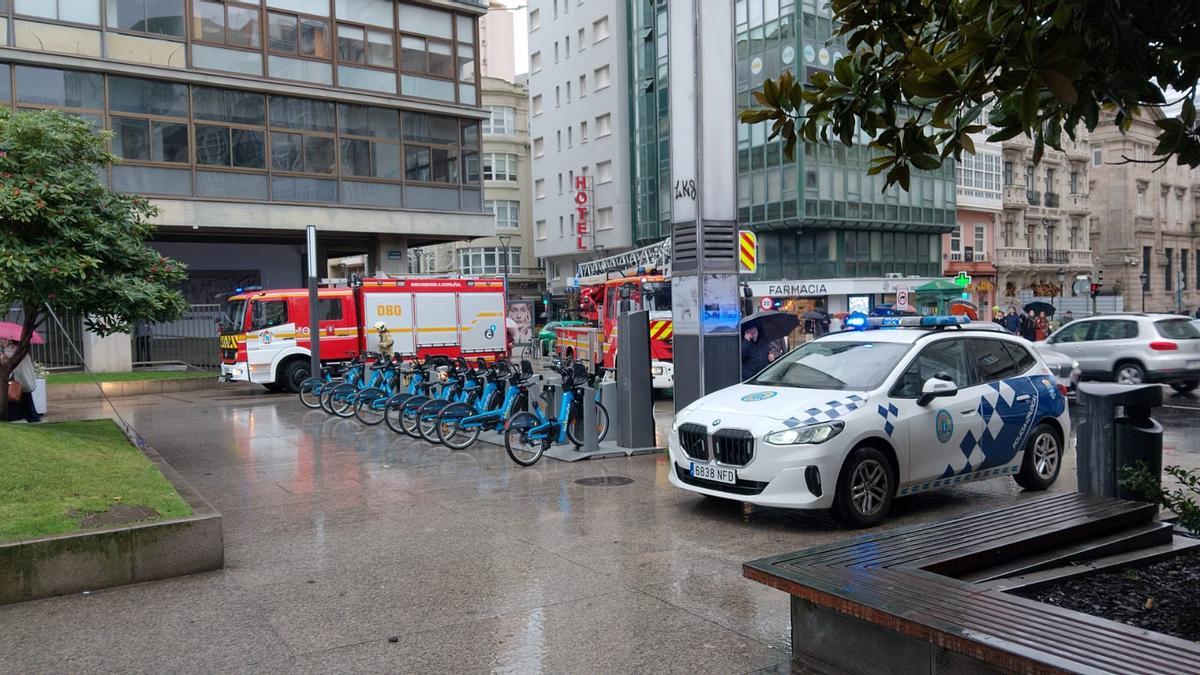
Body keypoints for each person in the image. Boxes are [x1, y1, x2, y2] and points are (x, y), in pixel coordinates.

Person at [3, 340, 41, 423]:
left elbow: (7, 365)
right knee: (26, 400)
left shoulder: (10, 353)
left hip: (16, 383)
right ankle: (31, 417)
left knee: (13, 399)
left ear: (10, 343)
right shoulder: (23, 353)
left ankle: (15, 416)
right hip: (25, 382)